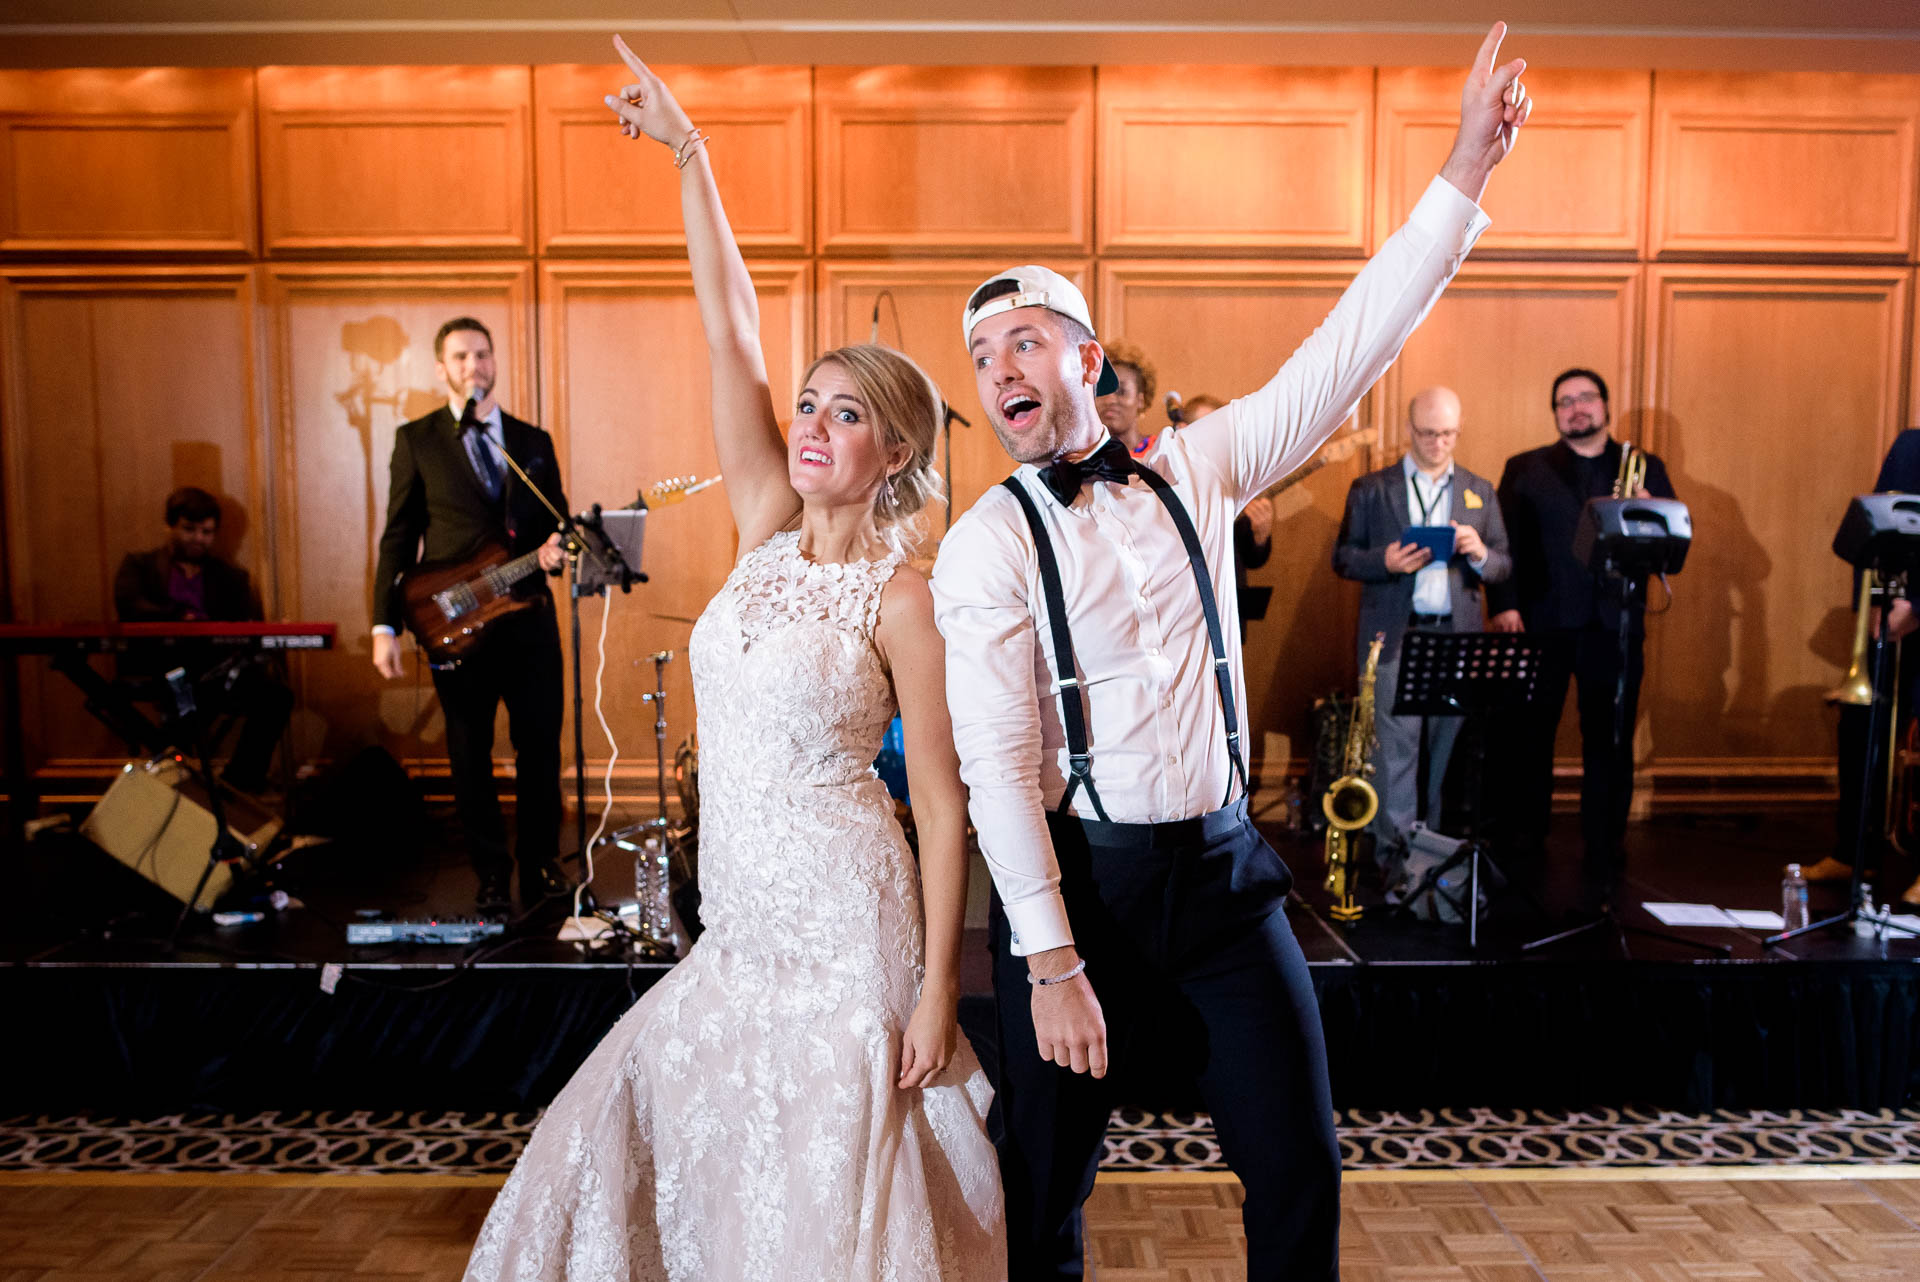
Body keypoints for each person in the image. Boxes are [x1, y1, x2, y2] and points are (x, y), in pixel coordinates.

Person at [931, 24, 1527, 1279]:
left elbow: (1345, 350)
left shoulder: (1197, 469)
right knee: (1042, 1189)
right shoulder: (985, 545)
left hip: (1222, 879)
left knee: (1299, 1165)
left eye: (1023, 343)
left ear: (1087, 360)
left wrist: (1464, 171)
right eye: (983, 361)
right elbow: (994, 765)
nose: (998, 374)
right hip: (1079, 891)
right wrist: (1046, 962)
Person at [461, 39, 1004, 1282]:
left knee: (826, 1191)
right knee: (661, 1148)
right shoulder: (760, 522)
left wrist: (936, 994)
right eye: (809, 404)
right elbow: (731, 327)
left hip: (852, 924)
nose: (810, 425)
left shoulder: (903, 593)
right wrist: (691, 155)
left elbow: (937, 799)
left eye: (844, 412)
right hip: (743, 920)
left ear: (897, 453)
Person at [371, 316, 569, 916]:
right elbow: (398, 538)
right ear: (441, 369)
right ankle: (489, 875)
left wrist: (560, 550)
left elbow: (557, 520)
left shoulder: (531, 442)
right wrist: (385, 625)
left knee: (540, 749)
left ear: (494, 362)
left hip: (529, 616)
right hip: (455, 625)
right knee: (468, 753)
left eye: (482, 355)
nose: (473, 367)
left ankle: (541, 865)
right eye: (460, 358)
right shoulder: (417, 440)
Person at [1485, 367, 1676, 911]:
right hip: (1541, 621)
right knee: (1529, 738)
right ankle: (1525, 839)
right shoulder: (1524, 468)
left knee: (1610, 741)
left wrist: (1648, 510)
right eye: (1564, 402)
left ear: (1605, 405)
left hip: (1613, 624)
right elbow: (1506, 543)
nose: (1576, 409)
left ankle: (1604, 844)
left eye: (1585, 398)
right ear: (1555, 414)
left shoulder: (1645, 467)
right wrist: (1505, 606)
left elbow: (1669, 549)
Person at [1332, 387, 1510, 865]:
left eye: (1448, 434)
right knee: (1395, 750)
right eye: (1429, 433)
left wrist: (1479, 554)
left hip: (1455, 637)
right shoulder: (1373, 488)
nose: (1438, 444)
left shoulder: (1479, 489)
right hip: (1396, 636)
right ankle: (1397, 860)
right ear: (1410, 430)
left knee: (1445, 750)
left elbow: (1503, 566)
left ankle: (1433, 856)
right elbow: (1344, 558)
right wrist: (1384, 560)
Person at [1805, 428, 1920, 906]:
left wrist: (1919, 607)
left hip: (1916, 609)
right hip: (1889, 612)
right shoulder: (1911, 446)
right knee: (1860, 725)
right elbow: (1874, 525)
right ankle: (1855, 850)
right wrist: (1874, 603)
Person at [115, 487, 294, 793]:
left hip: (215, 672)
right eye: (189, 529)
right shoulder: (140, 567)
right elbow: (129, 605)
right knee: (185, 710)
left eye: (207, 532)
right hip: (162, 670)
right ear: (170, 526)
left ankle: (240, 785)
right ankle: (176, 785)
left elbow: (243, 625)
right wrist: (180, 617)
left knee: (275, 697)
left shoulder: (230, 578)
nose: (198, 538)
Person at [1180, 393, 1273, 640]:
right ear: (1181, 431)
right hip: (1182, 614)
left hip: (1226, 613)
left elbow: (1252, 559)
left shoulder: (1236, 482)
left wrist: (1261, 538)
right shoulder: (1167, 477)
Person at [1095, 340, 1157, 456]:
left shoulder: (1160, 453)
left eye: (1121, 391)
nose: (1110, 400)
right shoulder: (1082, 461)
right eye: (1103, 390)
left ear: (1140, 400)